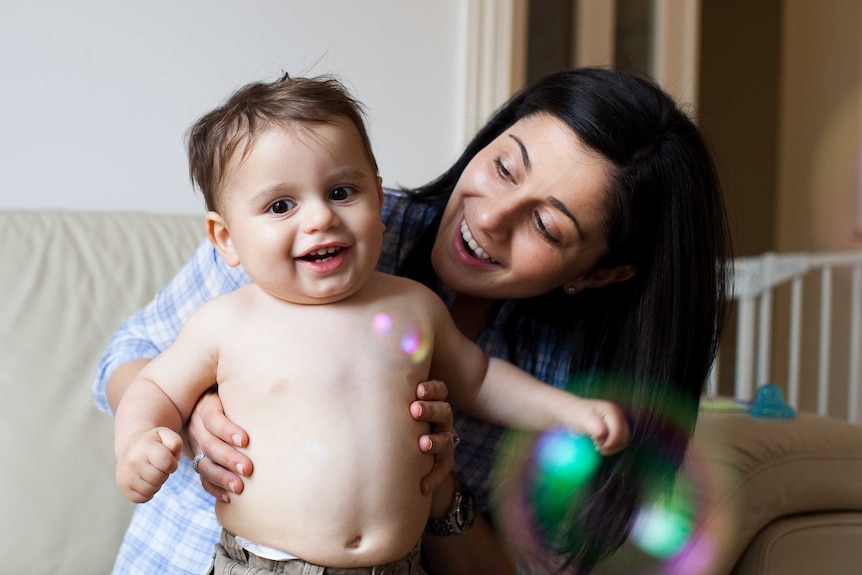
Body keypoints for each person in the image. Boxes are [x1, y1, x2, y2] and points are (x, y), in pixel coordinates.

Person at [94, 67, 731, 574]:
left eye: (545, 225)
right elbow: (136, 364)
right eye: (505, 166)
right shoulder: (253, 283)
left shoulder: (407, 299)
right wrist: (184, 418)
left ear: (597, 273)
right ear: (225, 239)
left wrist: (560, 417)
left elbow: (480, 380)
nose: (489, 218)